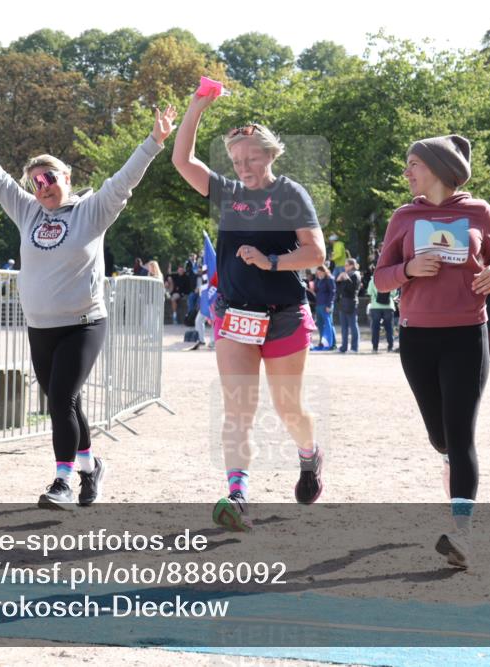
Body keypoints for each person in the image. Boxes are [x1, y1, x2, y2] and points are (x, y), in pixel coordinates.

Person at [0, 99, 177, 508]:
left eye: (50, 178)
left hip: (83, 322)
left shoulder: (92, 211)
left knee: (59, 400)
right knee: (65, 402)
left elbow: (124, 181)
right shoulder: (27, 212)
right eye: (36, 182)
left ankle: (62, 482)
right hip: (40, 326)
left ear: (67, 177)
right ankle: (91, 467)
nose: (43, 187)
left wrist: (154, 140)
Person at [172, 87, 325, 531]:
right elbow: (183, 161)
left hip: (283, 316)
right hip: (235, 315)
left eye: (251, 159)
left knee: (287, 406)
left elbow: (315, 253)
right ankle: (237, 495)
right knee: (238, 407)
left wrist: (271, 260)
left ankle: (309, 455)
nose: (244, 168)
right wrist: (196, 106)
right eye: (237, 162)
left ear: (269, 154)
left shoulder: (290, 193)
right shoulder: (228, 194)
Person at [373, 134, 490, 569]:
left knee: (460, 431)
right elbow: (380, 279)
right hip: (417, 338)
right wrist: (408, 269)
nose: (407, 171)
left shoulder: (479, 212)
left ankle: (462, 535)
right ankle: (451, 463)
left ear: (437, 167)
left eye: (413, 163)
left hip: (467, 335)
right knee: (441, 437)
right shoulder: (403, 217)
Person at [336, 258, 361, 353]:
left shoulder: (355, 274)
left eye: (346, 265)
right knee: (344, 327)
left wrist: (346, 278)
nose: (345, 267)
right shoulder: (347, 274)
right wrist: (338, 281)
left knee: (353, 325)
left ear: (352, 265)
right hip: (343, 303)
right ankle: (344, 347)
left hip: (351, 302)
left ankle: (354, 347)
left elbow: (352, 289)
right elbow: (340, 290)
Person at [367, 271, 395, 353]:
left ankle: (375, 348)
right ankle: (390, 347)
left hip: (375, 306)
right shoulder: (390, 280)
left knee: (375, 328)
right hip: (388, 306)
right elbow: (393, 294)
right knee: (389, 328)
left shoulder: (373, 280)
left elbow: (369, 292)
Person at [310, 264, 336, 351]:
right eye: (318, 273)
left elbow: (332, 293)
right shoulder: (317, 280)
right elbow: (317, 292)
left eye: (320, 272)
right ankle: (322, 342)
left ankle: (332, 344)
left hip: (326, 305)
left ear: (324, 271)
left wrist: (329, 305)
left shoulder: (329, 279)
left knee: (329, 325)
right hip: (319, 305)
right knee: (320, 325)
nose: (319, 274)